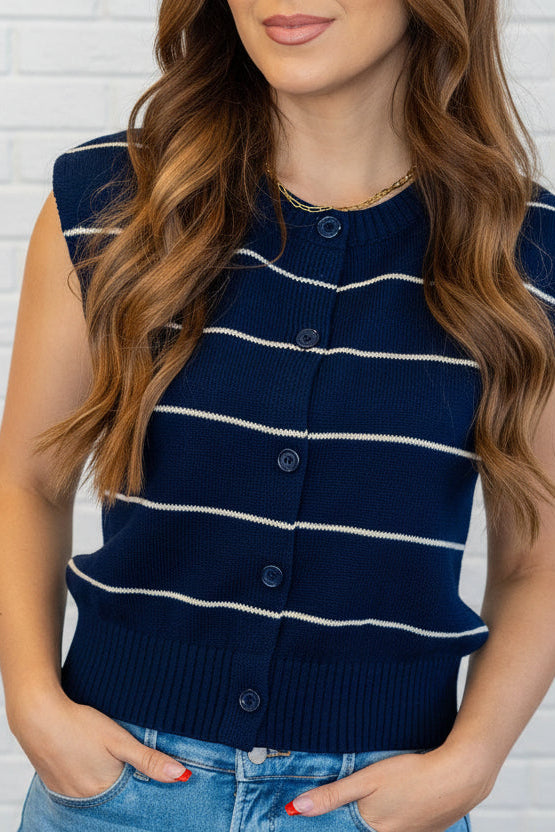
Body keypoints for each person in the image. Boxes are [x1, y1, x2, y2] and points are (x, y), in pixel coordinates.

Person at [2, 0, 555, 830]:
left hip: (376, 801)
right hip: (117, 788)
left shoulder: (523, 250)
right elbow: (28, 480)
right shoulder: (113, 200)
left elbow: (537, 558)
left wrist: (472, 763)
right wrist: (34, 705)